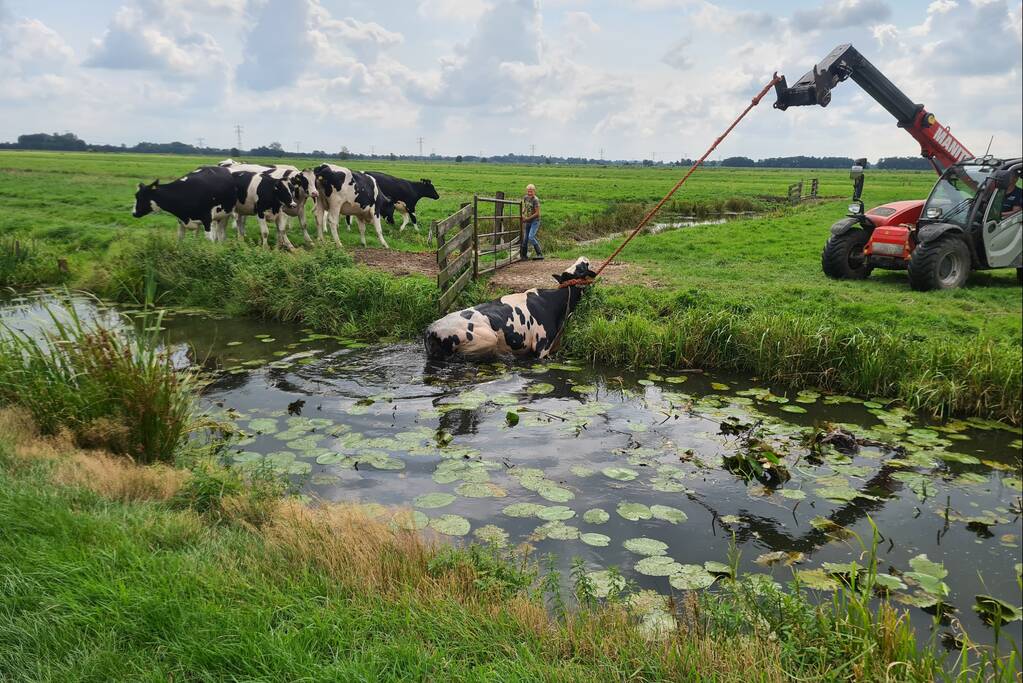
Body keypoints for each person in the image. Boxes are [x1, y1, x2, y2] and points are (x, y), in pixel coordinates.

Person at [520, 183, 543, 260]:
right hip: (528, 220)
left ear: (534, 191)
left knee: (531, 236)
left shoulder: (535, 200)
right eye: (528, 191)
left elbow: (537, 213)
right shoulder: (525, 198)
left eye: (531, 191)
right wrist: (522, 214)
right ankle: (524, 256)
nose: (529, 193)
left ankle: (539, 254)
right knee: (525, 238)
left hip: (535, 220)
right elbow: (525, 207)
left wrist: (527, 219)